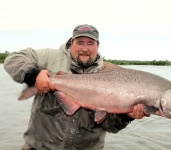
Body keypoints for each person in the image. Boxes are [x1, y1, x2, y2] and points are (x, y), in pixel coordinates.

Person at [4, 24, 149, 150]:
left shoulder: (109, 74)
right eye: (80, 42)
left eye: (90, 43)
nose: (84, 48)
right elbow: (13, 58)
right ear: (71, 43)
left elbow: (111, 127)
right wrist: (33, 75)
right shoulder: (49, 58)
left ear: (98, 46)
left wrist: (126, 115)